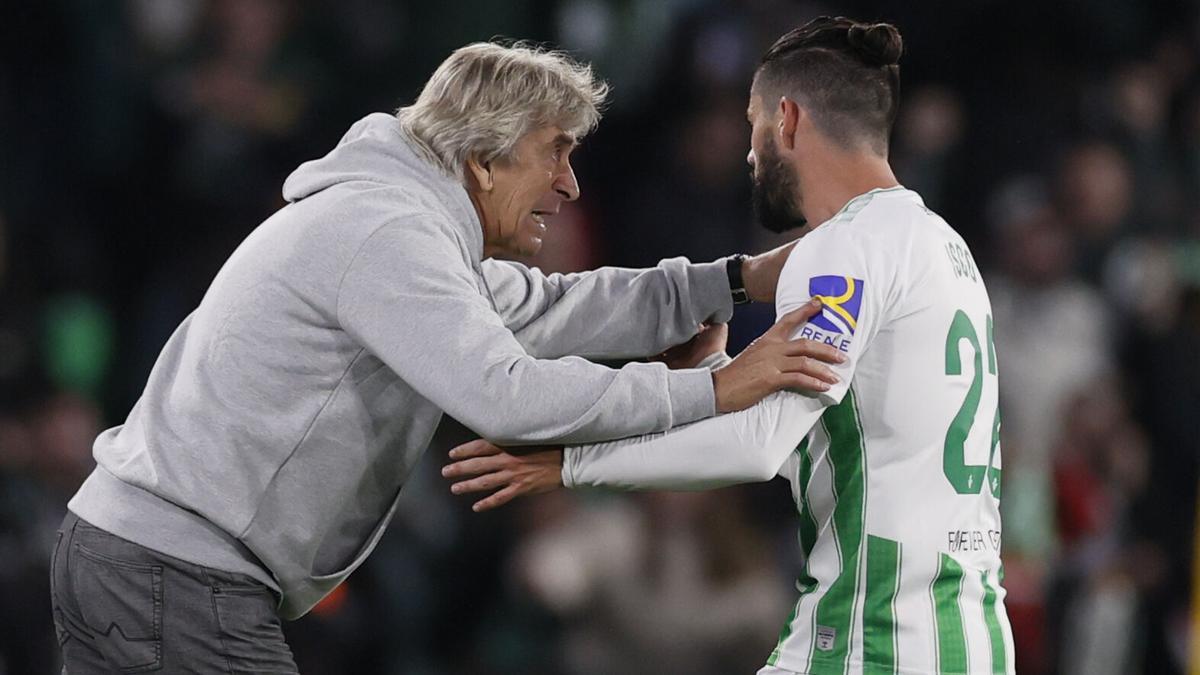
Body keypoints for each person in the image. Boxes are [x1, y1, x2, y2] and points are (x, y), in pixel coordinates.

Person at [49, 42, 846, 672]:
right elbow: (509, 395)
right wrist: (723, 388)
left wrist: (734, 280)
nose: (569, 185)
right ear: (485, 160)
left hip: (148, 561)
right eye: (556, 153)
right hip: (176, 573)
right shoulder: (388, 233)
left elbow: (555, 306)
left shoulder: (409, 228)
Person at [444, 18, 1016, 675]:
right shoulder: (944, 247)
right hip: (968, 636)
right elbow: (839, 436)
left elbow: (759, 441)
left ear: (789, 120)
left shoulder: (843, 247)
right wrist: (717, 371)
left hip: (876, 638)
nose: (749, 155)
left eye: (753, 125)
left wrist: (570, 462)